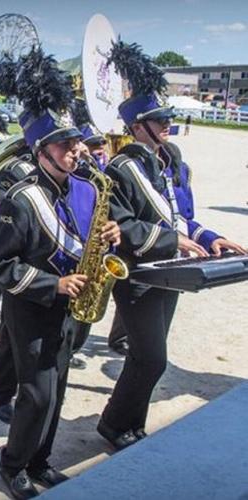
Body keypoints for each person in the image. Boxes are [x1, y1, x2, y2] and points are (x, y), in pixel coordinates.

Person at [98, 41, 247, 451]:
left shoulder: (169, 161)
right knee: (152, 358)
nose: (167, 123)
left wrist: (210, 238)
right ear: (138, 126)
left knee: (146, 358)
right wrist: (171, 239)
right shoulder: (119, 167)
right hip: (141, 273)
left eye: (166, 116)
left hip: (171, 272)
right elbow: (121, 224)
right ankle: (113, 424)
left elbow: (182, 218)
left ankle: (129, 423)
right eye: (158, 118)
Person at [0, 47, 122, 499]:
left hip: (72, 309)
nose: (76, 150)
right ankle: (12, 464)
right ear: (42, 151)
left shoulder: (87, 190)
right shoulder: (20, 200)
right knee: (37, 395)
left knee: (59, 391)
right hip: (31, 310)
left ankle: (40, 460)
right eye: (65, 144)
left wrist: (110, 237)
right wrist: (54, 284)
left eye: (76, 142)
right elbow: (2, 267)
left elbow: (89, 240)